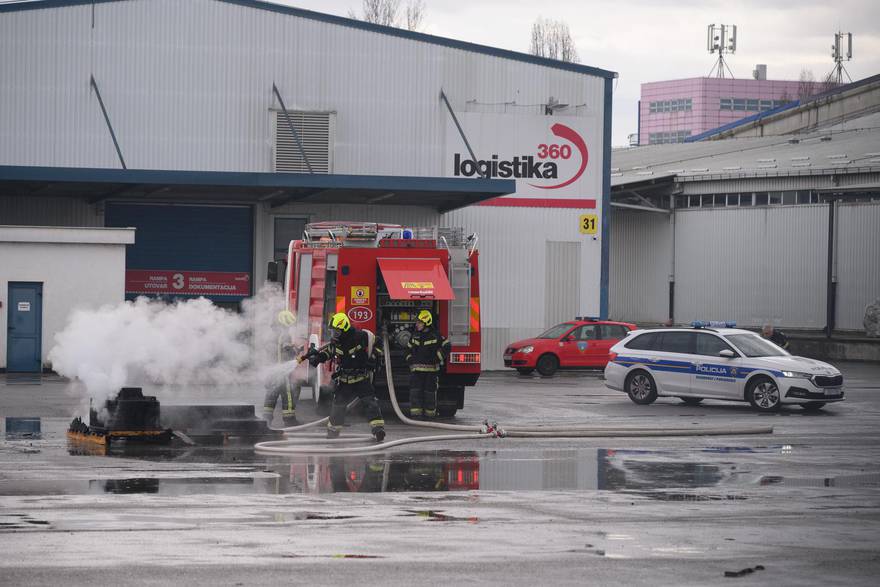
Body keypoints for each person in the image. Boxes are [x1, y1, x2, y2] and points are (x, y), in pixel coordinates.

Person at [307, 313, 386, 442]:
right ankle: (333, 432)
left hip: (361, 378)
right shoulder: (336, 343)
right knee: (338, 406)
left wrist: (373, 358)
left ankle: (378, 430)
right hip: (344, 380)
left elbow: (378, 342)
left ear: (344, 329)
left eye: (336, 332)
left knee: (370, 404)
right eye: (332, 332)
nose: (334, 335)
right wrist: (316, 359)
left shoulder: (360, 336)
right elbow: (328, 353)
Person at [404, 310, 450, 419]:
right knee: (415, 393)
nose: (417, 324)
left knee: (429, 394)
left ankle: (430, 415)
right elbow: (407, 350)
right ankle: (416, 415)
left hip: (431, 372)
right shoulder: (415, 336)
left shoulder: (435, 335)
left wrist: (437, 358)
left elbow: (447, 345)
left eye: (419, 322)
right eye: (417, 322)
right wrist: (410, 360)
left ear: (426, 323)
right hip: (417, 372)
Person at [262, 310, 304, 427]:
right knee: (289, 394)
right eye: (288, 325)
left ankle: (266, 419)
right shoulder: (284, 335)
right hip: (282, 372)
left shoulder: (271, 334)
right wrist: (297, 350)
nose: (290, 328)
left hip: (272, 370)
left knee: (271, 393)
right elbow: (287, 350)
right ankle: (289, 420)